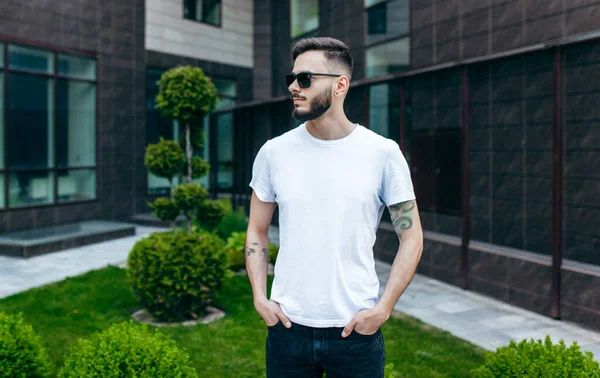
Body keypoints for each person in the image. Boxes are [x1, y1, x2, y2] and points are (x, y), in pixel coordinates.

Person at [245, 37, 423, 378]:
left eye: (306, 79)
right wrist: (259, 297)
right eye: (292, 79)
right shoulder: (273, 153)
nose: (294, 87)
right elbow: (257, 228)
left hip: (355, 334)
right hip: (287, 331)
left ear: (340, 85)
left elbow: (411, 237)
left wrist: (383, 309)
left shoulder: (383, 154)